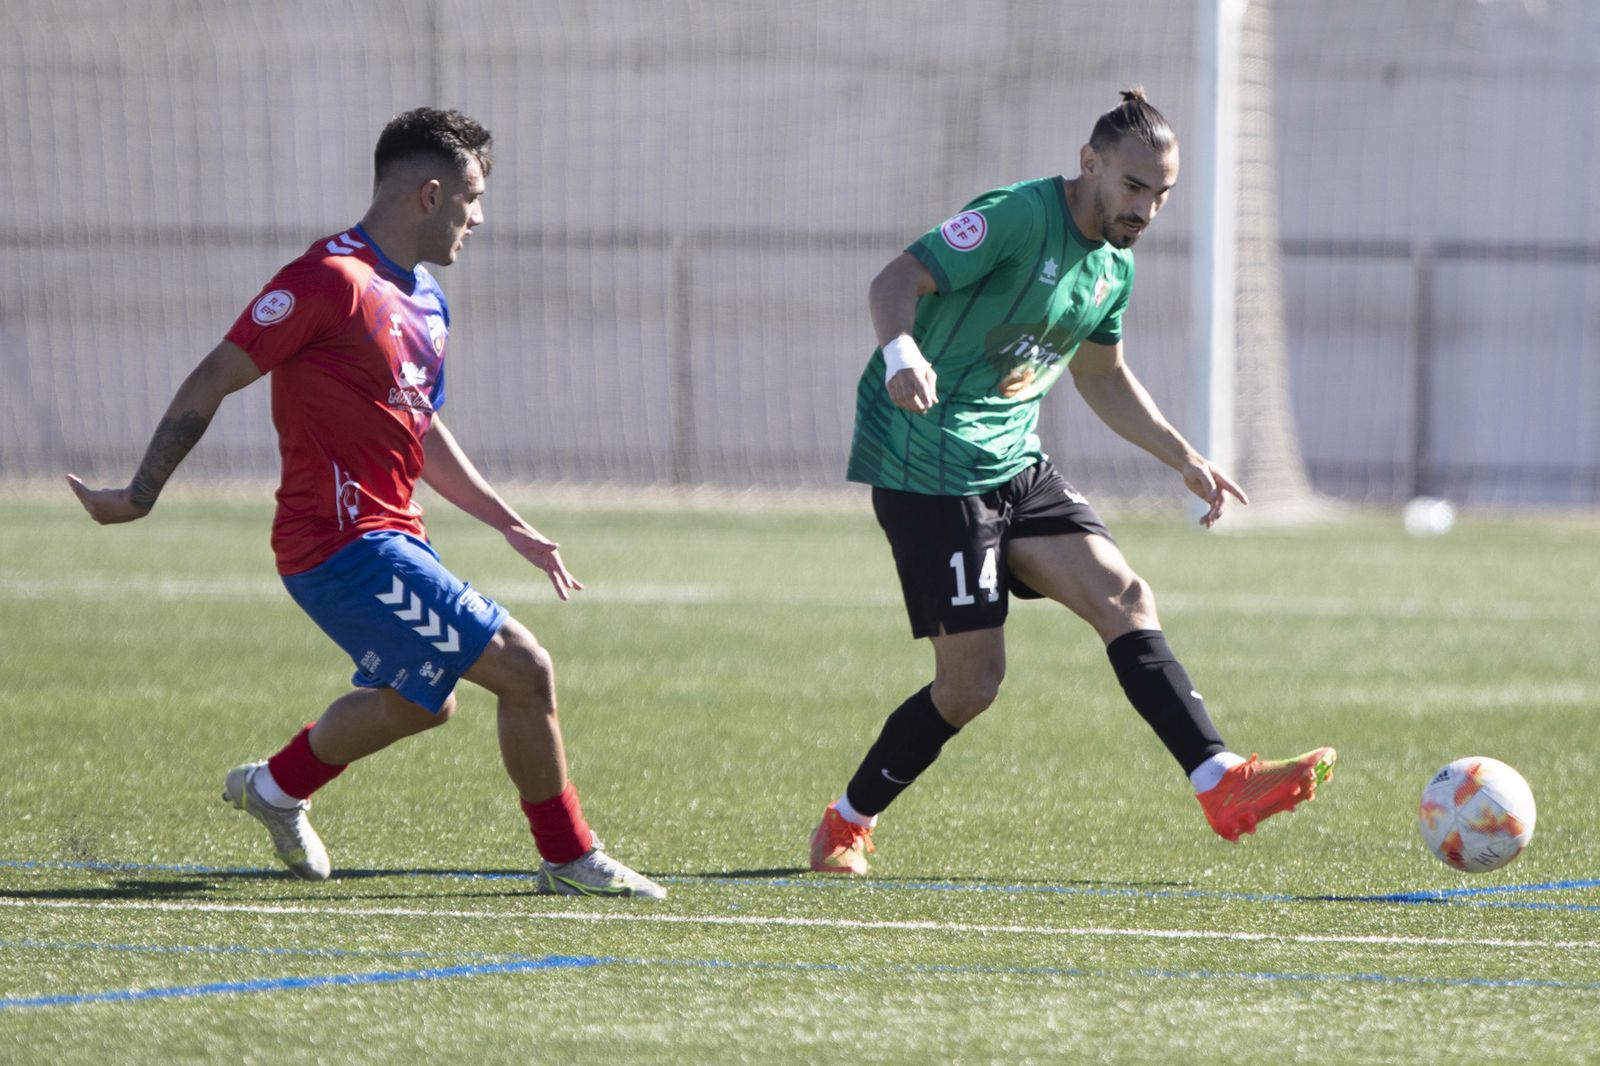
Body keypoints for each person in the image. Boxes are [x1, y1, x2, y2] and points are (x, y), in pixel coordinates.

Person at [68, 108, 664, 898]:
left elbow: (419, 428)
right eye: (471, 198)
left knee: (425, 702)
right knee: (526, 669)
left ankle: (276, 788)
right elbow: (215, 375)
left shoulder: (425, 301)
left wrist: (508, 523)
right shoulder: (328, 282)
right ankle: (568, 856)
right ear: (428, 194)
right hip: (337, 544)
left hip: (393, 538)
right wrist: (139, 495)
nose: (478, 218)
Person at [809, 88, 1336, 876]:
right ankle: (846, 823)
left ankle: (1220, 780)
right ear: (1089, 164)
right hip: (928, 464)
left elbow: (1103, 377)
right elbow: (894, 280)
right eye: (1133, 187)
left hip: (1015, 463)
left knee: (1126, 597)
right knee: (973, 683)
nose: (1147, 209)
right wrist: (901, 352)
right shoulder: (1018, 216)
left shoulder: (1113, 267)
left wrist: (1183, 457)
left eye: (1162, 194)